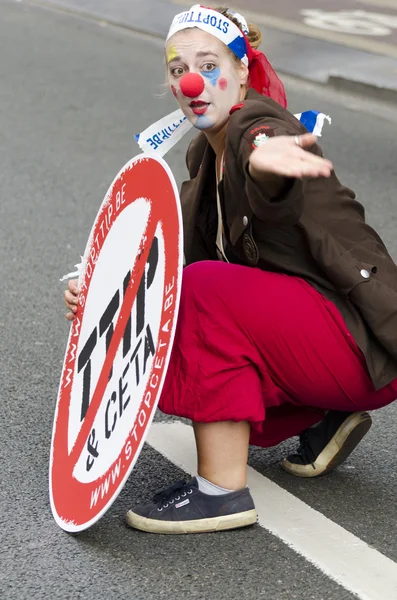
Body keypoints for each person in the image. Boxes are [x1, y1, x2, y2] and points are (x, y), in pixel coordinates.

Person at [64, 5, 397, 535]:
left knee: (203, 293)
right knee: (185, 314)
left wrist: (265, 163)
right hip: (328, 348)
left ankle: (220, 493)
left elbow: (259, 150)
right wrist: (103, 290)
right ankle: (321, 414)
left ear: (243, 70)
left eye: (209, 63)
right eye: (178, 70)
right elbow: (164, 267)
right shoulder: (202, 161)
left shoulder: (258, 127)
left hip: (363, 343)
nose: (193, 80)